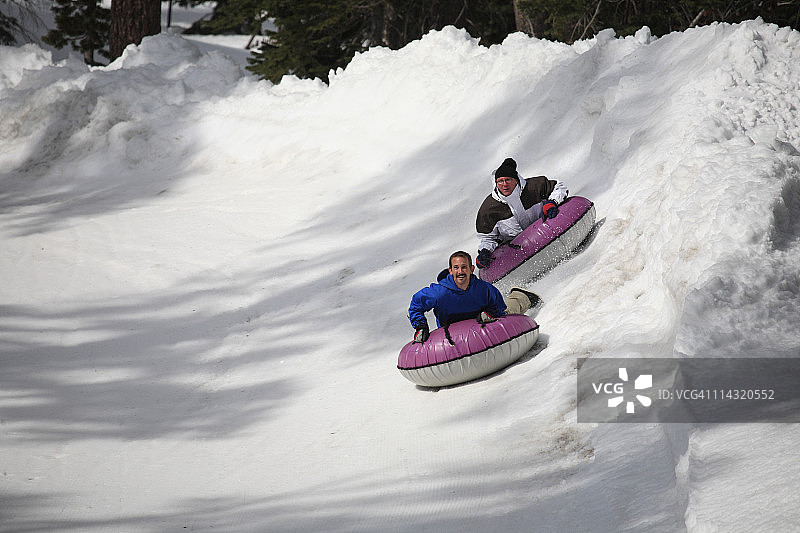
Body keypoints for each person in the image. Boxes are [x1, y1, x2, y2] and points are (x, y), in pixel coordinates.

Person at [408, 251, 540, 343]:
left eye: (464, 267)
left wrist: (491, 312)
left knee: (507, 312)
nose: (460, 272)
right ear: (450, 271)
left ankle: (521, 296)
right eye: (456, 268)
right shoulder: (439, 293)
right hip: (453, 332)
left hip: (482, 324)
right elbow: (416, 305)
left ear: (471, 269)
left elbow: (499, 307)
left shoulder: (483, 289)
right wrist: (421, 326)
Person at [475, 157, 569, 269]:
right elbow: (488, 238)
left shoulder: (534, 186)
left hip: (547, 231)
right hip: (517, 250)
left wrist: (552, 202)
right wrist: (485, 251)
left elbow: (559, 187)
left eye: (508, 180)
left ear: (516, 179)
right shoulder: (488, 208)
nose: (504, 184)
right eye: (500, 181)